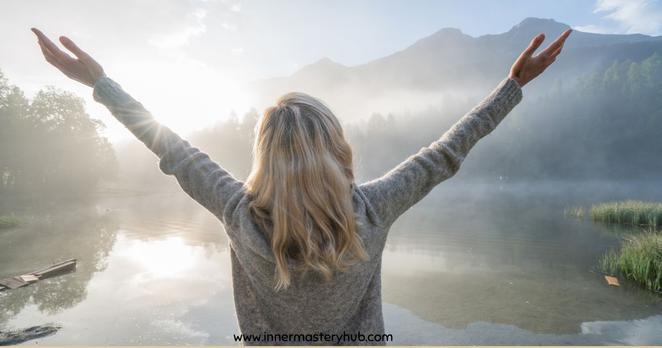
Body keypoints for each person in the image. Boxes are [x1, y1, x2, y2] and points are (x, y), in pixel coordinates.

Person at [32, 27, 571, 345]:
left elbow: (170, 146)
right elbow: (445, 154)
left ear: (263, 156)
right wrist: (511, 87)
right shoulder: (375, 208)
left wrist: (98, 83)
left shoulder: (238, 210)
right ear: (339, 150)